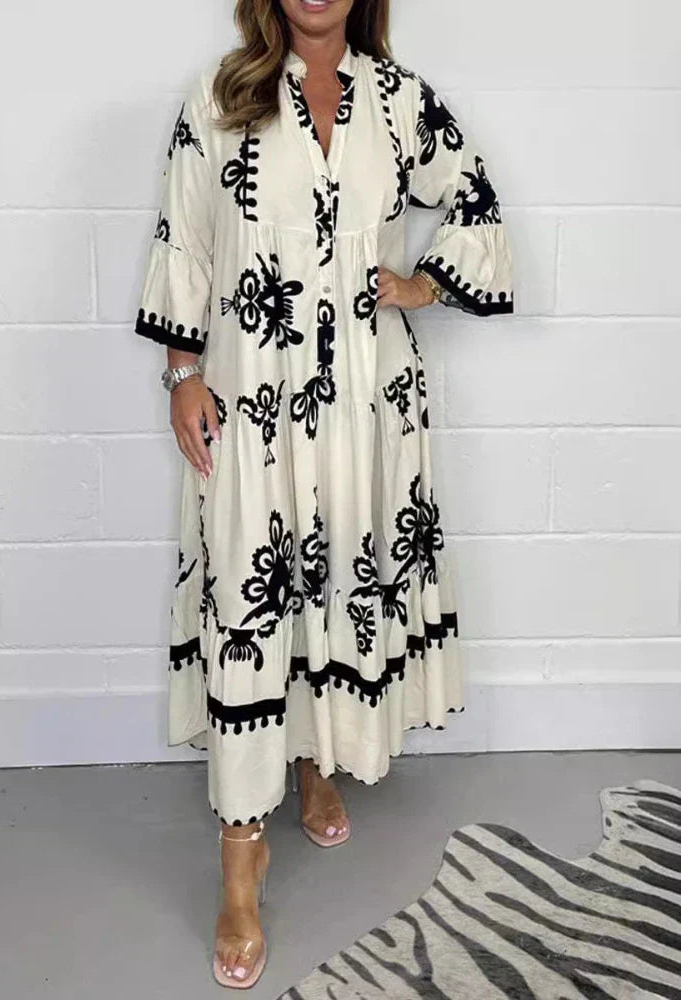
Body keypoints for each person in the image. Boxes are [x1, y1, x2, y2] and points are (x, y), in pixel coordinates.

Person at [134, 0, 514, 988]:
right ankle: (240, 856)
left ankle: (315, 762)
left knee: (337, 579)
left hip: (363, 401)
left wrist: (420, 285)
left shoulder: (397, 100)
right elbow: (186, 237)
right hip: (251, 394)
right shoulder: (222, 95)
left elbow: (472, 198)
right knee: (251, 601)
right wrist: (182, 373)